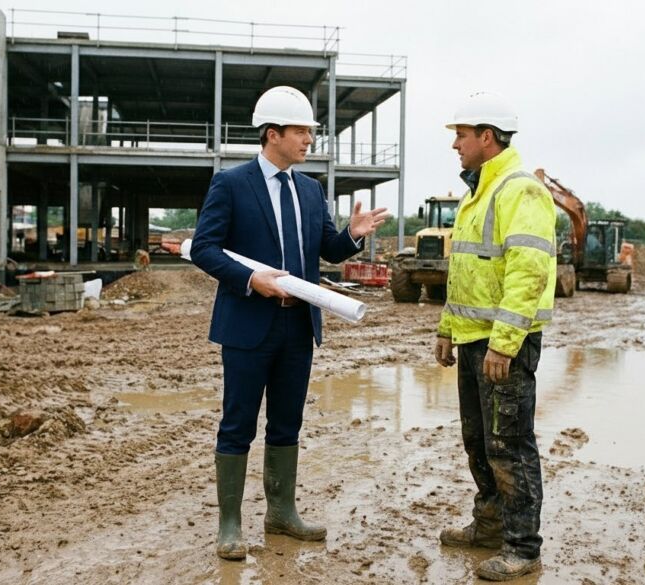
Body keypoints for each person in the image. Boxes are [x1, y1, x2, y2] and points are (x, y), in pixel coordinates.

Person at [190, 86, 388, 561]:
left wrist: (353, 238)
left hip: (297, 326)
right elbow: (204, 248)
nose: (309, 141)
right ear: (272, 134)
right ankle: (230, 524)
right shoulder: (231, 184)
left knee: (287, 423)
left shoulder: (310, 189)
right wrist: (251, 278)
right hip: (247, 325)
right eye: (301, 131)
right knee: (238, 424)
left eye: (310, 132)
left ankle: (282, 512)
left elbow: (326, 249)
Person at [433, 92, 557, 581]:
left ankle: (523, 548)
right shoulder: (476, 192)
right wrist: (447, 328)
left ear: (487, 137)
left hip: (503, 343)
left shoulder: (519, 190)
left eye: (460, 136)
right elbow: (465, 270)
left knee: (510, 444)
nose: (455, 145)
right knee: (478, 439)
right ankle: (488, 527)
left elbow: (529, 272)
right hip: (472, 338)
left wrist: (505, 343)